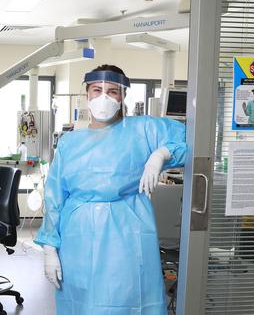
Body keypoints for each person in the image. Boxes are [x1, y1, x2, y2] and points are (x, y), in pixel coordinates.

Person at [34, 64, 187, 314]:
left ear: (123, 96)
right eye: (97, 90)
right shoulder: (70, 143)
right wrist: (49, 248)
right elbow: (55, 197)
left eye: (112, 91)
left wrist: (162, 153)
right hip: (78, 237)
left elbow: (192, 140)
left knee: (127, 298)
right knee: (81, 301)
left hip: (127, 233)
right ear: (87, 95)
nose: (104, 97)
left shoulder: (144, 129)